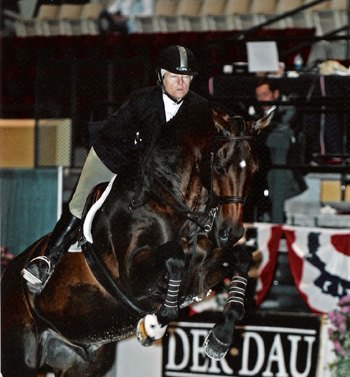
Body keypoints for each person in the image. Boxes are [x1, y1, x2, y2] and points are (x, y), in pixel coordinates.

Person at [22, 45, 212, 294]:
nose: (181, 83)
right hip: (113, 156)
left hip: (159, 172)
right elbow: (115, 135)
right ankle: (48, 260)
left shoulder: (198, 108)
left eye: (186, 77)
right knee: (80, 203)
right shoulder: (141, 101)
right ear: (160, 77)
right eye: (175, 76)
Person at [249, 76, 306, 224]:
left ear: (275, 94)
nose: (262, 100)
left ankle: (276, 225)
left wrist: (262, 135)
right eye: (259, 96)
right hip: (263, 166)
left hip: (286, 167)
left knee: (279, 160)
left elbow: (281, 138)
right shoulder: (255, 113)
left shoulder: (289, 109)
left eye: (265, 95)